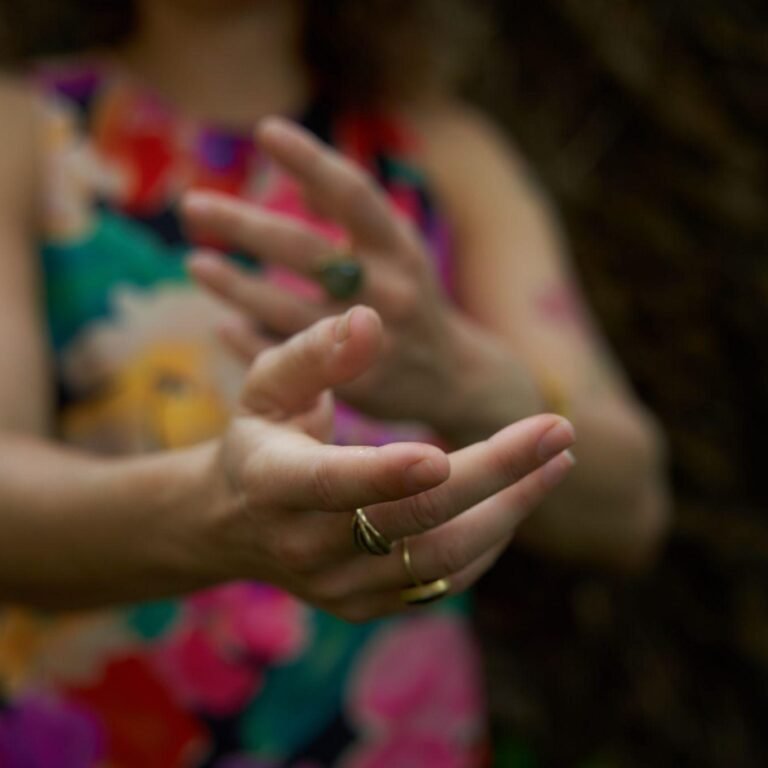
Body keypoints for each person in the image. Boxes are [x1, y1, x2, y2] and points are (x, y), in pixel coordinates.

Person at [0, 0, 668, 765]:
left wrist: (469, 383)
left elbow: (631, 505)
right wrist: (218, 512)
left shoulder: (444, 155)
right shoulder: (23, 130)